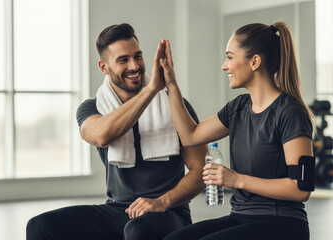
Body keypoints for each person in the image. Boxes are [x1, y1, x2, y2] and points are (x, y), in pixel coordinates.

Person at [26, 23, 207, 240]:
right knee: (40, 226)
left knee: (138, 230)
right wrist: (150, 91)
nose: (134, 66)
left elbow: (200, 170)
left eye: (138, 56)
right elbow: (102, 135)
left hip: (167, 211)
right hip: (117, 209)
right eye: (123, 60)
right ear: (104, 67)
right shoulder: (92, 108)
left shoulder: (175, 105)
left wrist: (163, 202)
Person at [159, 22, 315, 240]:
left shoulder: (290, 113)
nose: (224, 66)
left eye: (230, 57)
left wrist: (236, 180)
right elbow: (190, 136)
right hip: (241, 216)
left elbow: (301, 189)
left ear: (254, 62)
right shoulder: (238, 107)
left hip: (283, 222)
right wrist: (172, 85)